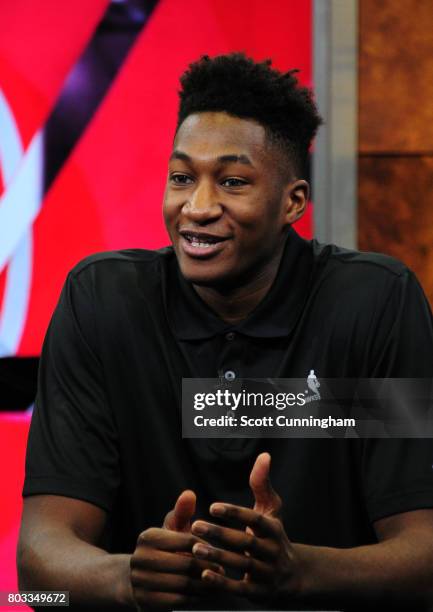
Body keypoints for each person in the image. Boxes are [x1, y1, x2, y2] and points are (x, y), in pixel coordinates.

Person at [17, 53, 433, 611]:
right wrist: (127, 580)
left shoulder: (373, 303)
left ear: (294, 202)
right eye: (182, 178)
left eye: (232, 182)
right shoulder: (101, 304)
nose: (198, 206)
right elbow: (38, 566)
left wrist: (301, 572)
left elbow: (424, 556)